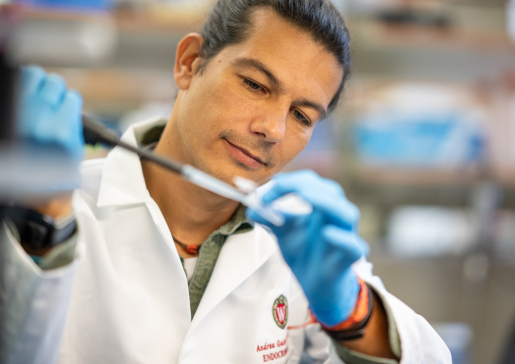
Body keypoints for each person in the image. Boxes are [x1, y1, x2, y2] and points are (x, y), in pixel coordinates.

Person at [0, 0, 452, 363]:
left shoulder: (298, 248)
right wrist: (49, 222)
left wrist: (349, 308)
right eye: (256, 84)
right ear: (190, 63)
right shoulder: (55, 204)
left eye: (301, 115)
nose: (273, 129)